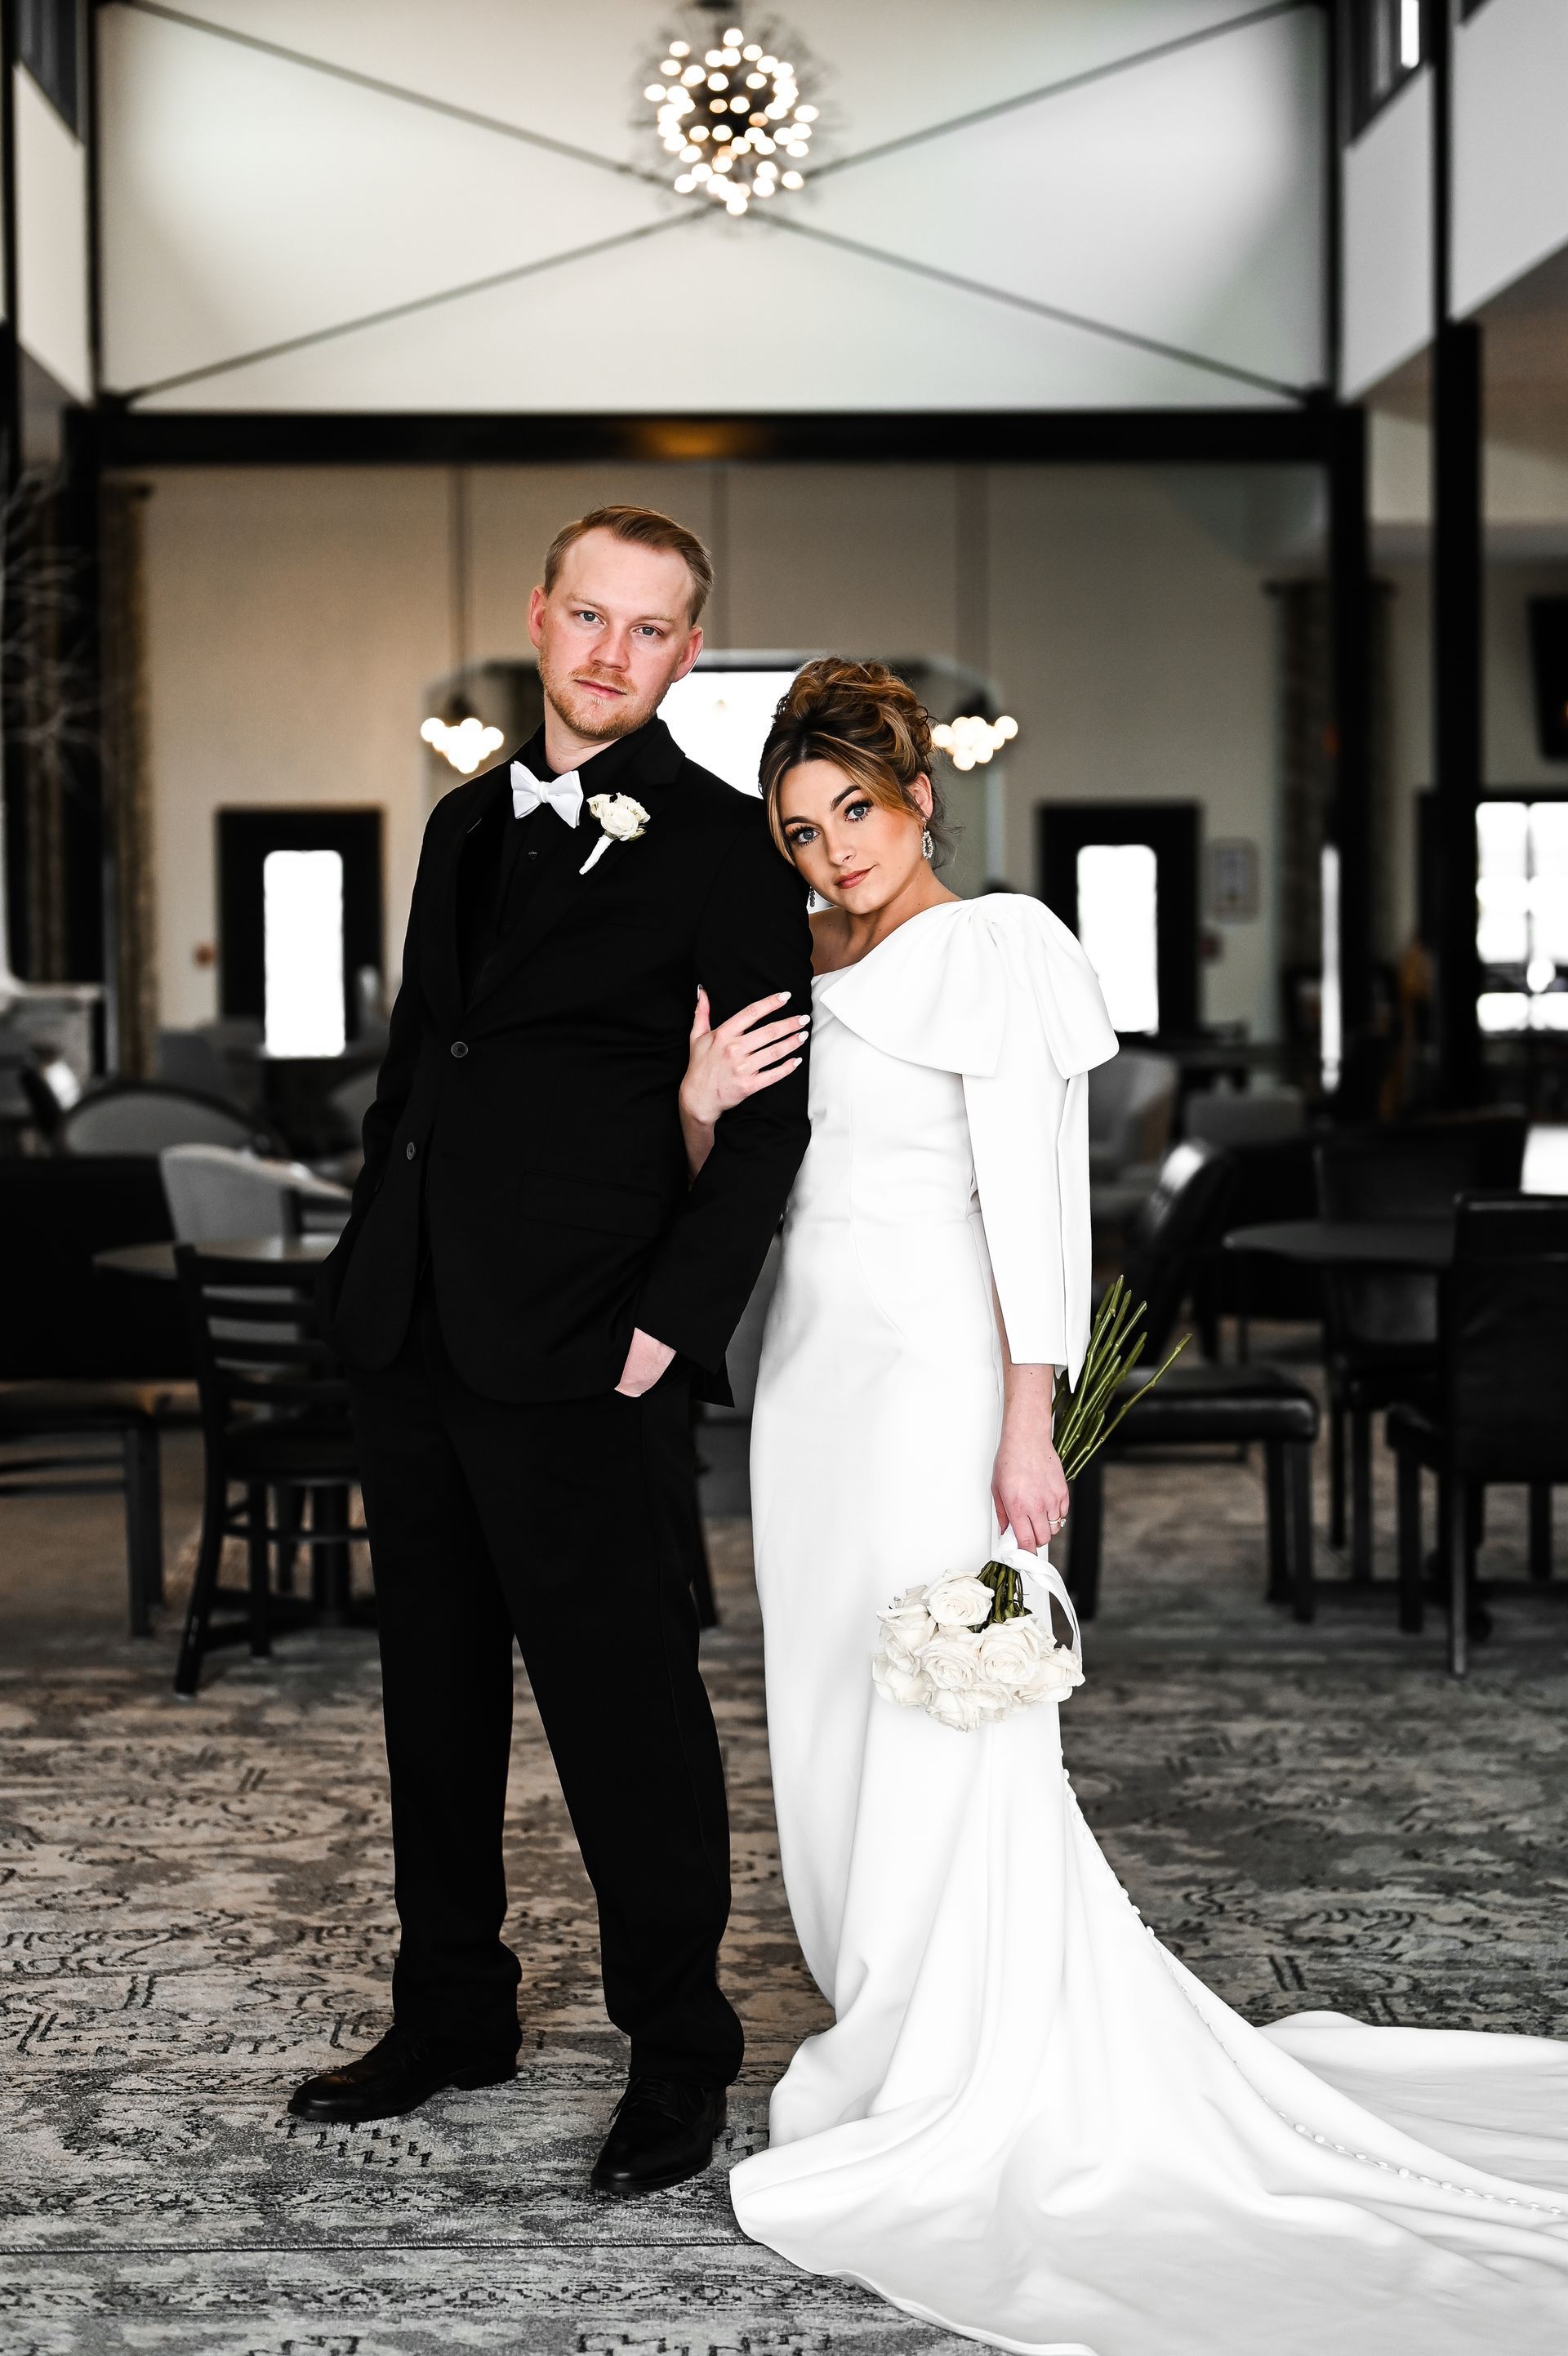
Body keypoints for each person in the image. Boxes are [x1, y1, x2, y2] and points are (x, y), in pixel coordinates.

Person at [684, 659, 1568, 2352]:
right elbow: (745, 1180)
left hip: (945, 1381)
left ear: (920, 797)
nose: (832, 855)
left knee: (950, 1706)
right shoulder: (791, 968)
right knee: (829, 1719)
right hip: (810, 1387)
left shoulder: (1001, 949)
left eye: (855, 814)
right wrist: (698, 1098)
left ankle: (959, 2055)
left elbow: (1036, 1211)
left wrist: (1033, 1426)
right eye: (801, 831)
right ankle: (883, 2016)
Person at [289, 506, 813, 2198]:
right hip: (416, 1346)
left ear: (683, 655)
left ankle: (681, 2054)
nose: (609, 653)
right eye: (588, 615)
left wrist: (668, 1333)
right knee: (429, 1713)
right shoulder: (457, 824)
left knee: (627, 1727)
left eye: (649, 630)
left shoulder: (730, 851)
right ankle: (455, 2009)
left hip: (597, 1362)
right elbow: (417, 1077)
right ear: (540, 615)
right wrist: (372, 1288)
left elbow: (767, 1129)